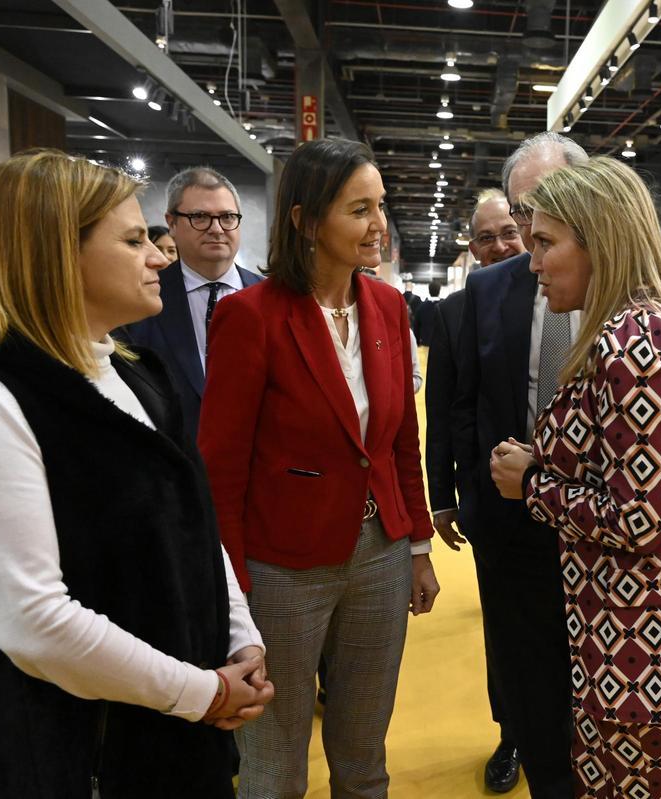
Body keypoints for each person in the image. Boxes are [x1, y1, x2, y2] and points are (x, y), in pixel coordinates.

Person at [0, 149, 274, 797]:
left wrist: (240, 636)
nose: (159, 255)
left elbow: (194, 522)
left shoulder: (133, 373)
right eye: (132, 241)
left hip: (176, 727)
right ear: (55, 255)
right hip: (76, 753)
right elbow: (35, 623)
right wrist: (200, 690)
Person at [487, 156, 661, 798]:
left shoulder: (637, 342)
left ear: (599, 242)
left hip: (637, 632)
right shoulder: (645, 328)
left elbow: (635, 517)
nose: (533, 262)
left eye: (546, 243)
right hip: (636, 628)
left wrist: (531, 483)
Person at [198, 138, 439, 798]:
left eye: (381, 206)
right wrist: (233, 586)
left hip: (381, 553)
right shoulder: (251, 316)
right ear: (305, 220)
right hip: (282, 566)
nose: (379, 225)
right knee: (275, 762)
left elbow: (399, 444)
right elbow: (221, 466)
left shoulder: (389, 306)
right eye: (359, 209)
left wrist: (417, 544)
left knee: (364, 756)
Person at [452, 131, 589, 799]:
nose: (529, 229)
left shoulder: (642, 291)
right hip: (512, 523)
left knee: (600, 699)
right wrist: (465, 499)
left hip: (607, 538)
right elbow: (462, 396)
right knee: (528, 688)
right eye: (520, 210)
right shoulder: (490, 288)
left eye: (545, 207)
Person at [424, 188, 526, 793]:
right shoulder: (456, 311)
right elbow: (443, 410)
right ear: (470, 248)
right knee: (506, 626)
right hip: (489, 501)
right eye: (485, 237)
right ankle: (511, 731)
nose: (500, 246)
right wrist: (442, 495)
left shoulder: (564, 294)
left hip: (565, 497)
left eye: (509, 232)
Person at [117, 167, 264, 442]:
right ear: (171, 223)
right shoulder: (141, 296)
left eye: (227, 217)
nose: (217, 229)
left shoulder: (272, 298)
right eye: (200, 217)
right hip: (172, 458)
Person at [412, 281, 442, 350]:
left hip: (425, 343)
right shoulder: (444, 306)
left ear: (429, 291)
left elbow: (416, 326)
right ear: (439, 290)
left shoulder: (421, 307)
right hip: (440, 345)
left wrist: (417, 342)